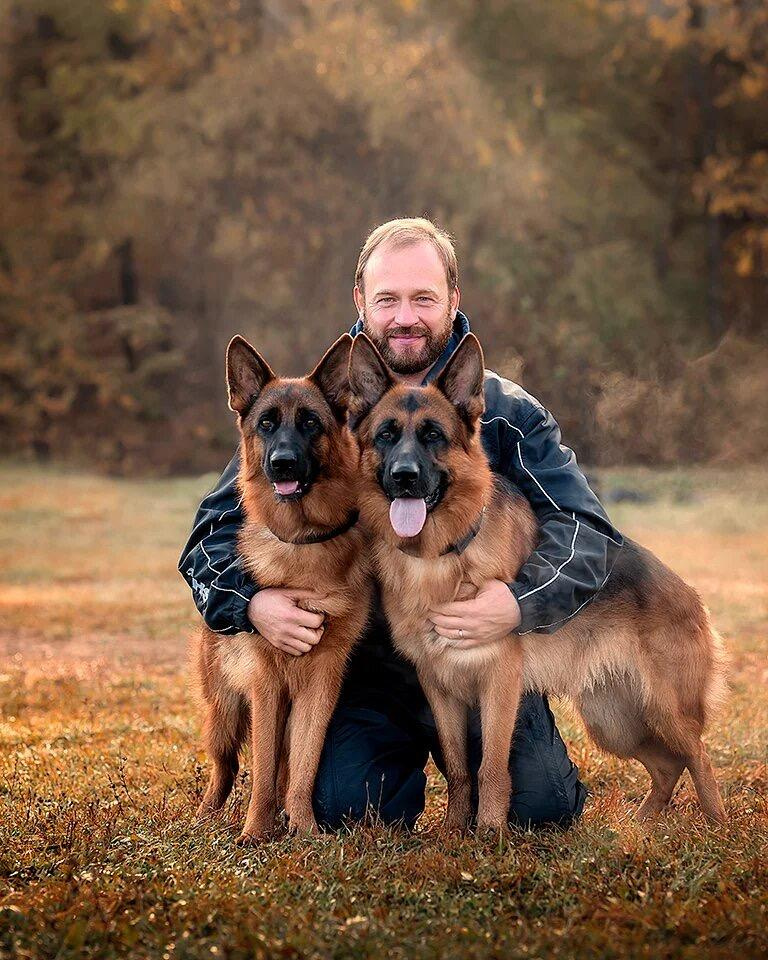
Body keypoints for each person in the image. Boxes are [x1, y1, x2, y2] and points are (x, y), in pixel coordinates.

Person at [179, 218, 624, 829]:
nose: (405, 317)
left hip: (475, 656)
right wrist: (252, 604)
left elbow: (588, 532)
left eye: (424, 298)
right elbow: (208, 537)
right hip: (369, 675)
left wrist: (517, 603)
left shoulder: (504, 411)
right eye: (387, 299)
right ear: (360, 301)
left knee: (538, 810)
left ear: (454, 299)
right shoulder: (320, 408)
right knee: (345, 811)